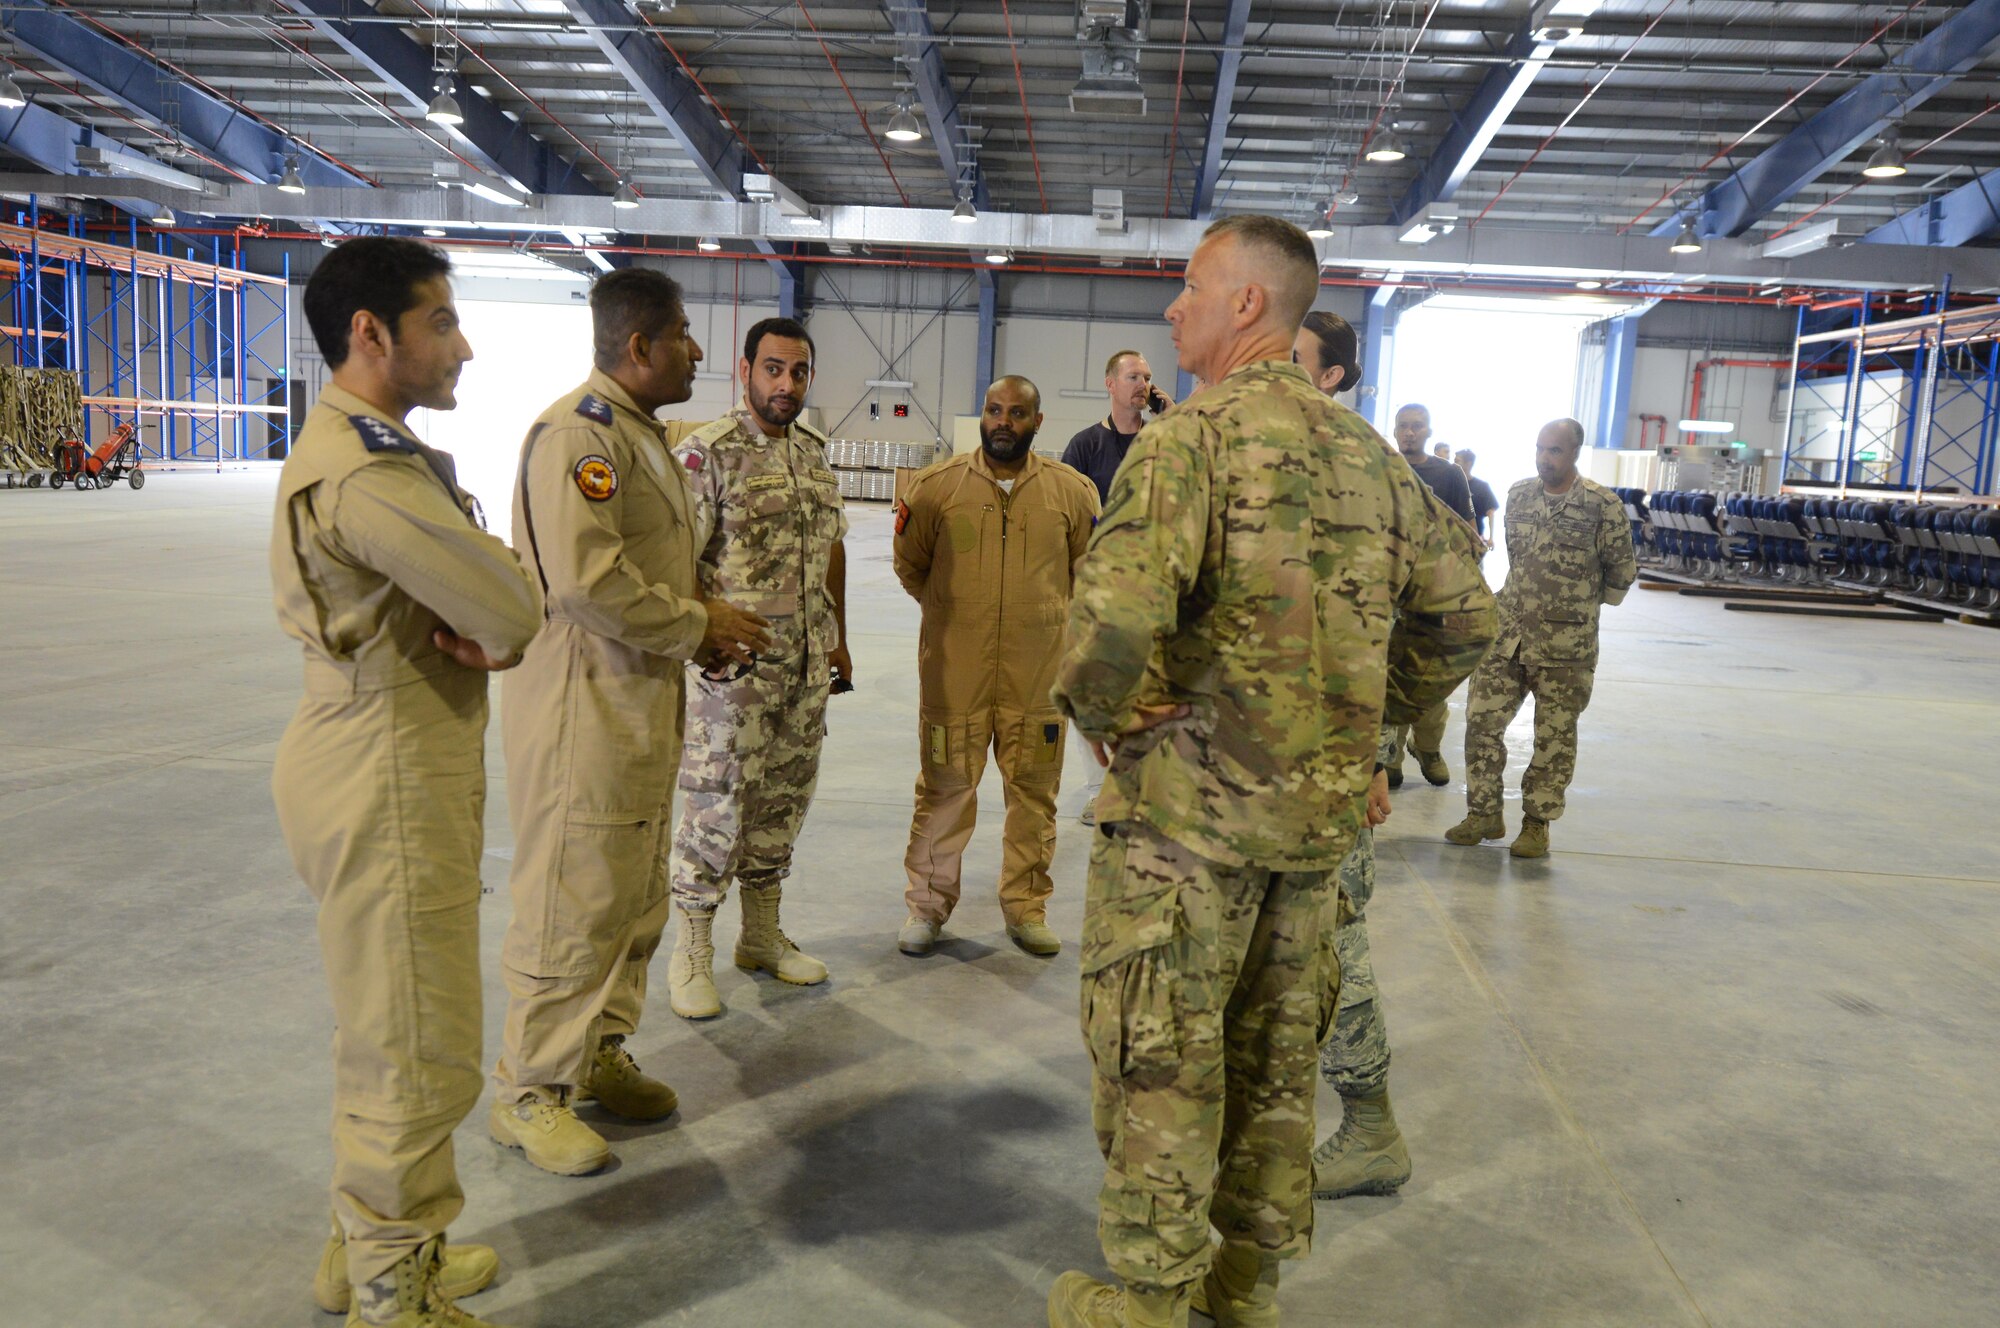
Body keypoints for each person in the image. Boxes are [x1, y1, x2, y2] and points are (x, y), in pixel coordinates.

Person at [1045, 215, 1495, 1328]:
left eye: (1190, 286)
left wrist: (1107, 713)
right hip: (1312, 833)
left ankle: (1149, 1298)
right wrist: (1358, 728)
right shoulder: (1368, 455)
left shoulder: (1188, 440)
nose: (1171, 306)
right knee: (1273, 1064)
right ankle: (1245, 1286)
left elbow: (1106, 630)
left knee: (1163, 1059)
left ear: (1247, 302)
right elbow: (1464, 619)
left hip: (1183, 830)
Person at [272, 237, 540, 1328]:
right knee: (416, 1045)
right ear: (369, 333)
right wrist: (501, 608)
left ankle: (371, 1248)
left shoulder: (369, 451)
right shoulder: (365, 473)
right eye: (440, 320)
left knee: (383, 1025)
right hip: (383, 769)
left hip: (378, 751)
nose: (463, 344)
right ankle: (394, 1291)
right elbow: (511, 607)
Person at [487, 269, 774, 1176]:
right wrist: (698, 625)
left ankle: (599, 1051)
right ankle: (528, 1091)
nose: (697, 350)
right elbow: (584, 581)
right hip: (586, 710)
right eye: (685, 334)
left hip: (642, 699)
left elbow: (652, 561)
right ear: (638, 346)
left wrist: (699, 622)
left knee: (633, 895)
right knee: (573, 899)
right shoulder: (581, 435)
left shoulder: (643, 436)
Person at [660, 317, 852, 1019]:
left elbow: (830, 551)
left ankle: (761, 937)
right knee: (717, 807)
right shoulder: (709, 454)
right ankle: (692, 951)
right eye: (773, 369)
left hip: (804, 670)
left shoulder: (813, 453)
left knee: (782, 806)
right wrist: (699, 637)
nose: (786, 385)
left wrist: (838, 639)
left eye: (798, 372)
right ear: (746, 371)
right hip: (735, 676)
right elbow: (677, 562)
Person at [891, 374, 1100, 958]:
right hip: (955, 675)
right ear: (981, 416)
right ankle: (927, 909)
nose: (1003, 421)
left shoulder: (1072, 493)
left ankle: (1026, 909)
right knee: (944, 792)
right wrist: (955, 616)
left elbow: (1089, 575)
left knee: (1034, 794)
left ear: (1037, 421)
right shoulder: (938, 487)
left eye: (1017, 412)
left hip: (1038, 679)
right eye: (993, 410)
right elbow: (911, 567)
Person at [1293, 309, 1415, 1202]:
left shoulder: (1362, 469)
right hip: (1257, 759)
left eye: (1293, 362)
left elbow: (1411, 623)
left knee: (1333, 932)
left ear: (1332, 375)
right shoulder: (1277, 458)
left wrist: (1374, 750)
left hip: (1326, 760)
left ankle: (1371, 1124)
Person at [1447, 418, 1636, 859]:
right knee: (1481, 722)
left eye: (1554, 451)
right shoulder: (1519, 495)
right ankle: (1483, 813)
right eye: (1539, 449)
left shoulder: (1601, 505)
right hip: (1509, 634)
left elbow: (1621, 572)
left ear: (1573, 454)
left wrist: (1578, 609)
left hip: (1565, 648)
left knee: (1553, 738)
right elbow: (1516, 560)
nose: (1544, 459)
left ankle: (1536, 824)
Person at [1060, 350, 1172, 826]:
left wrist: (1173, 419)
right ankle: (1098, 789)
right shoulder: (1085, 446)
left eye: (1147, 377)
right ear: (1110, 383)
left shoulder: (1167, 440)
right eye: (1132, 376)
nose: (1142, 384)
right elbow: (1063, 514)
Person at [1387, 402, 1478, 790]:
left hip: (1434, 594)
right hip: (1387, 591)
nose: (1409, 432)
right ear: (1394, 431)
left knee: (1429, 677)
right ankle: (1387, 756)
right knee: (1386, 676)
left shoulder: (1450, 475)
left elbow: (1469, 535)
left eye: (1417, 426)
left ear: (1428, 431)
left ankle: (1427, 747)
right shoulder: (1380, 467)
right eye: (1403, 426)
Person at [1456, 447, 1500, 543]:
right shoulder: (1450, 484)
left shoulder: (1482, 487)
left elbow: (1490, 512)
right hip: (1451, 538)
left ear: (1468, 464)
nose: (1454, 464)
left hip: (1474, 540)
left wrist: (1491, 538)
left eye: (1457, 461)